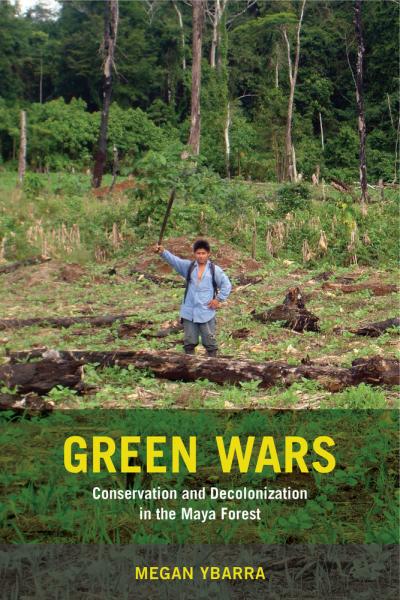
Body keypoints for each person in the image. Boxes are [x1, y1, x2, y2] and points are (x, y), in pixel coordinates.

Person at [154, 239, 232, 357]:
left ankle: (212, 366)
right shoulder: (188, 267)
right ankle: (189, 366)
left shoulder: (214, 270)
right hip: (189, 312)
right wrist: (163, 252)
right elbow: (175, 261)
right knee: (189, 343)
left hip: (206, 311)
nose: (201, 256)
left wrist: (218, 299)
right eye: (198, 253)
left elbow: (227, 285)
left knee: (210, 344)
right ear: (194, 254)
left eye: (203, 253)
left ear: (208, 254)